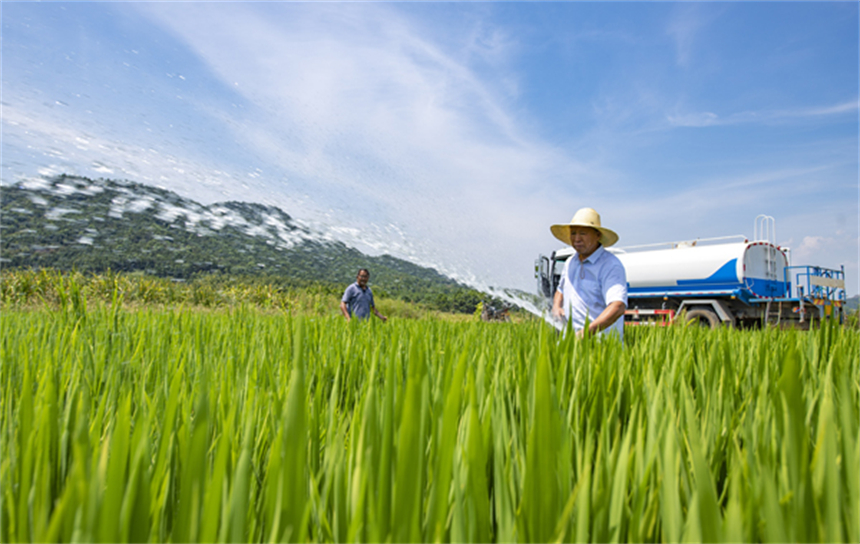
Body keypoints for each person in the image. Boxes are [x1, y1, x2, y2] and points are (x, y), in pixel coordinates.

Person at [550, 207, 627, 340]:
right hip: (571, 342)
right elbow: (560, 290)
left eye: (583, 233)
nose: (577, 238)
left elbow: (618, 306)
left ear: (598, 236)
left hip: (600, 345)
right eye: (573, 233)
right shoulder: (570, 262)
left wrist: (585, 334)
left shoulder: (610, 265)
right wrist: (556, 306)